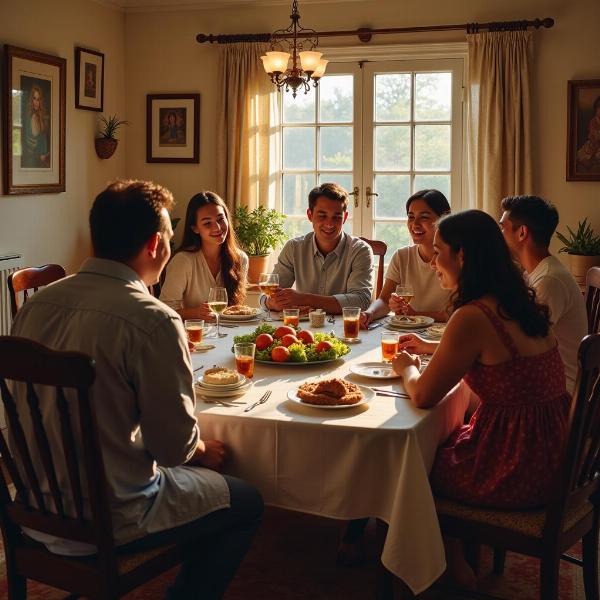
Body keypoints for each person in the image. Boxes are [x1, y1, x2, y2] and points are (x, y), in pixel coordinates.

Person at [10, 180, 263, 599]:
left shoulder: (37, 306)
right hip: (115, 514)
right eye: (166, 236)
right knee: (245, 502)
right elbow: (173, 449)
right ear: (154, 245)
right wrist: (203, 451)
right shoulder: (153, 319)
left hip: (35, 507)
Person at [393, 210, 570, 586]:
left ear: (462, 257)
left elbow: (423, 395)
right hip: (556, 457)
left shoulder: (472, 316)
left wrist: (407, 367)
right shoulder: (518, 301)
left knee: (411, 465)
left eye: (438, 251)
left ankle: (446, 568)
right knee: (442, 436)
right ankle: (455, 558)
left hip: (519, 467)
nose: (432, 261)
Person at [499, 195, 587, 394]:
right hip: (541, 377)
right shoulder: (533, 273)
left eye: (502, 227)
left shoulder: (549, 281)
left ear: (522, 233)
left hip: (558, 392)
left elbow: (520, 342)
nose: (499, 234)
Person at [262, 182, 374, 314]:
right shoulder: (293, 248)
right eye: (322, 215)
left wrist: (303, 298)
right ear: (310, 215)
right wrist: (272, 303)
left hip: (344, 327)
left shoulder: (360, 250)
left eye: (336, 217)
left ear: (344, 218)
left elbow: (361, 301)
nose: (329, 223)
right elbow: (268, 295)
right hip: (302, 327)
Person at [360, 189, 452, 329]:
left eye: (424, 217)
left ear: (444, 217)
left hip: (443, 333)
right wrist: (369, 314)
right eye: (411, 217)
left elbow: (458, 312)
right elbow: (384, 300)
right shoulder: (402, 256)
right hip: (408, 331)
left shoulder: (455, 259)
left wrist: (416, 315)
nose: (415, 224)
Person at [160, 191, 248, 321]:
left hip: (229, 332)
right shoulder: (183, 261)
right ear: (195, 228)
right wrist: (195, 313)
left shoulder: (240, 259)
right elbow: (164, 311)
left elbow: (235, 310)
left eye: (220, 219)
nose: (217, 227)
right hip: (194, 335)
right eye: (207, 223)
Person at [22, 84, 50, 168]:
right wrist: (39, 154)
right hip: (30, 161)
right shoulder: (27, 117)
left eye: (38, 99)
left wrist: (45, 154)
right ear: (31, 99)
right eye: (34, 98)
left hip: (43, 161)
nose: (36, 102)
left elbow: (44, 141)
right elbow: (27, 143)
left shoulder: (42, 118)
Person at [576, 95, 600, 170]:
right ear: (596, 110)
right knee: (585, 153)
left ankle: (593, 160)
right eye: (599, 109)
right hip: (594, 142)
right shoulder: (593, 121)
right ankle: (589, 161)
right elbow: (592, 133)